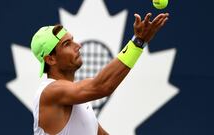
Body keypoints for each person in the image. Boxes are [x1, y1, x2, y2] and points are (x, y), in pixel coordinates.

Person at [31, 12, 169, 135]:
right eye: (67, 44)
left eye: (73, 40)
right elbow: (101, 87)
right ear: (50, 59)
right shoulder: (50, 91)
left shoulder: (78, 103)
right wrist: (138, 42)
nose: (78, 45)